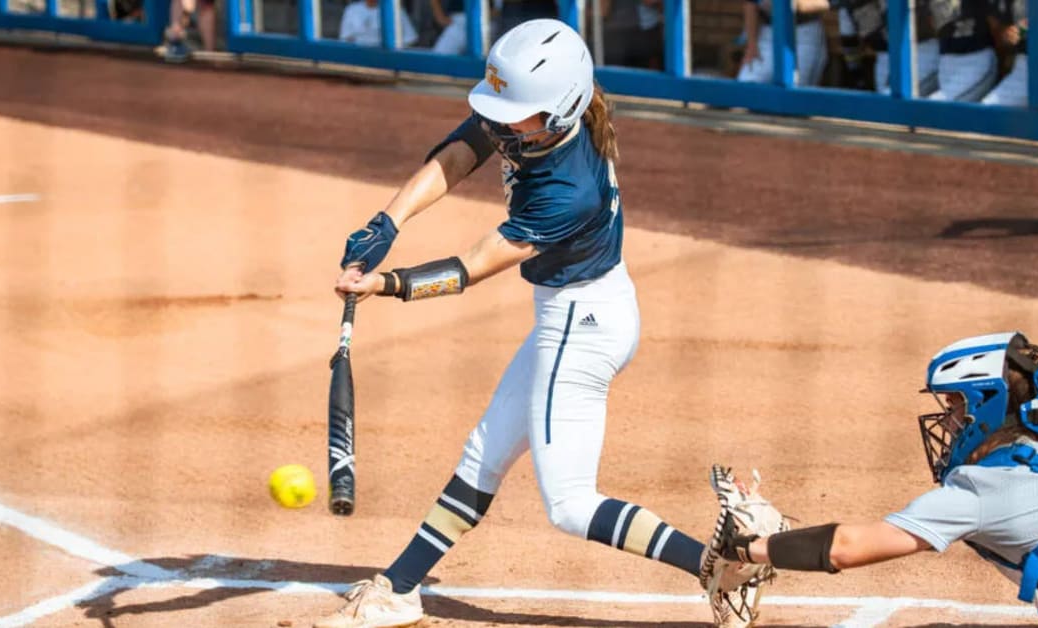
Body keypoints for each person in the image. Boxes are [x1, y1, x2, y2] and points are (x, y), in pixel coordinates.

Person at [317, 18, 765, 628]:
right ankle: (398, 589)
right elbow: (456, 155)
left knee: (570, 503)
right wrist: (386, 224)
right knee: (484, 454)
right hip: (579, 312)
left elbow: (474, 266)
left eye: (516, 114)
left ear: (560, 111)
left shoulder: (567, 190)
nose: (502, 123)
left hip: (582, 324)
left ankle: (723, 562)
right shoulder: (528, 120)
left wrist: (385, 284)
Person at [710, 331, 1038, 627]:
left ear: (986, 407)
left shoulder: (980, 491)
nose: (949, 421)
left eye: (955, 405)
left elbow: (846, 548)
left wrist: (748, 547)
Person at [835, 0, 940, 95]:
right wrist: (858, 79)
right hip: (886, 58)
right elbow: (849, 43)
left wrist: (858, 78)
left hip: (921, 51)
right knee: (890, 106)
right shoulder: (847, 5)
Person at [737, 0, 832, 86]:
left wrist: (795, 3)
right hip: (767, 32)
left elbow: (826, 3)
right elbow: (750, 4)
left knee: (795, 95)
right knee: (743, 91)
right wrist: (752, 44)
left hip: (803, 32)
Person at [924, 0, 999, 101]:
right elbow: (928, 25)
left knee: (932, 109)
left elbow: (998, 25)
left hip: (976, 59)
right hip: (946, 61)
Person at [339, 0, 419, 48]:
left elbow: (410, 39)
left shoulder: (396, 11)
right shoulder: (351, 10)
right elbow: (345, 39)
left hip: (387, 61)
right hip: (359, 60)